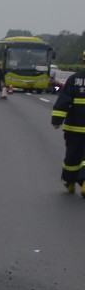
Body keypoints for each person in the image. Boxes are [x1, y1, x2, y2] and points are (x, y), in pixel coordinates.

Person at [51, 51, 85, 194]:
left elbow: (64, 101)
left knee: (72, 155)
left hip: (74, 128)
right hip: (75, 128)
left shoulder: (75, 79)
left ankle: (69, 181)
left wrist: (57, 120)